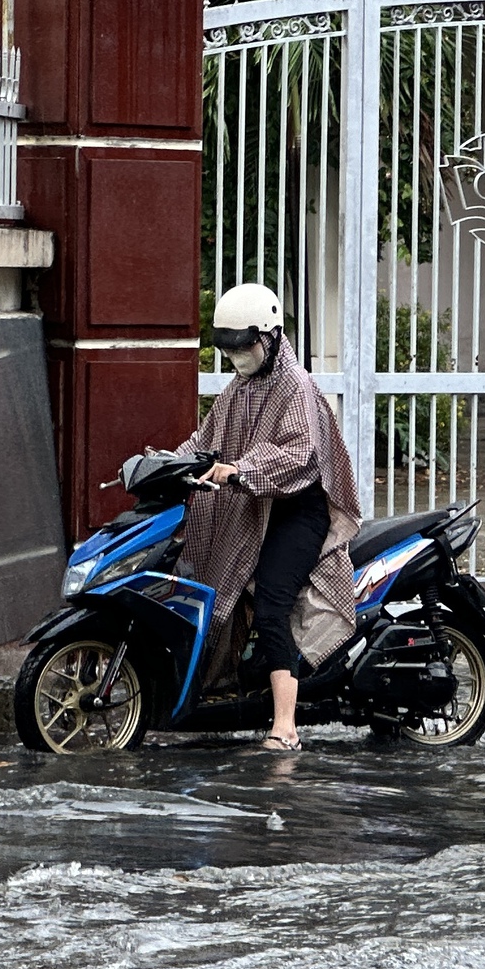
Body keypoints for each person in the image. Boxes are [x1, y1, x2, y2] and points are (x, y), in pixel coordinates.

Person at [178, 283, 364, 751]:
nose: (238, 358)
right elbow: (203, 441)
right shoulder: (239, 389)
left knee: (271, 601)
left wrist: (242, 469)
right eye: (230, 349)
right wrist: (161, 465)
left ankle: (285, 726)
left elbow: (300, 453)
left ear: (272, 336)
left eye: (245, 347)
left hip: (298, 512)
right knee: (214, 579)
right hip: (254, 504)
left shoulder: (296, 388)